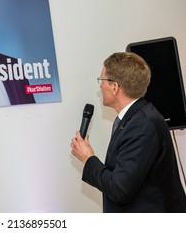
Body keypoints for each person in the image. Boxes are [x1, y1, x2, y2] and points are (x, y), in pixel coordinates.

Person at [70, 52, 186, 212]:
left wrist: (88, 158)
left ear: (115, 87)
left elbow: (119, 189)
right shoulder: (135, 118)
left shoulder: (142, 125)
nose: (100, 86)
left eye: (102, 80)